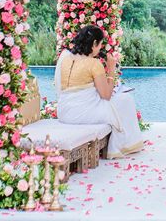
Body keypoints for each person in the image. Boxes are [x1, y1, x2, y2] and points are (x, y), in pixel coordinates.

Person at [54, 26, 143, 158]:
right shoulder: (93, 64)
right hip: (80, 114)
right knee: (126, 100)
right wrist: (111, 69)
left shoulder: (66, 58)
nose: (100, 48)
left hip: (64, 112)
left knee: (118, 101)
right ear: (94, 43)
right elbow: (106, 95)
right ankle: (127, 145)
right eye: (100, 44)